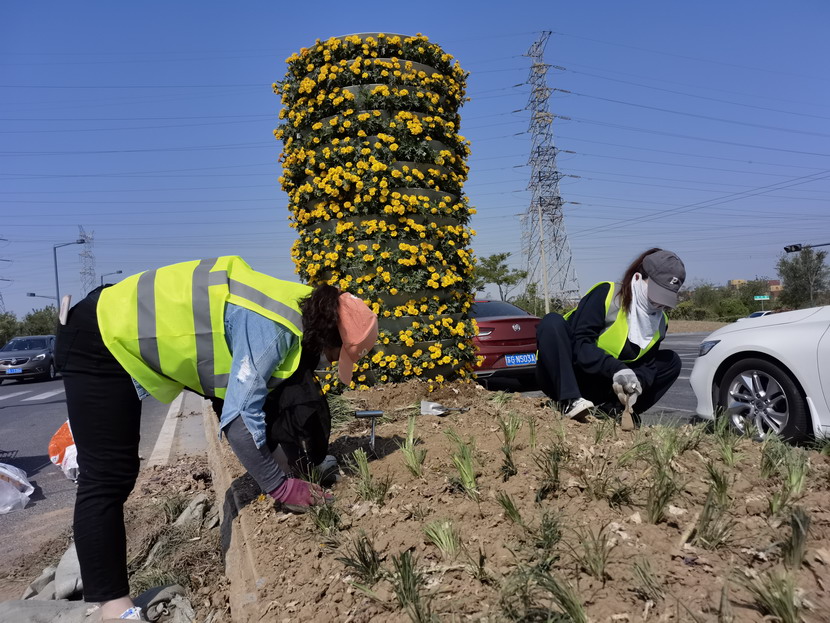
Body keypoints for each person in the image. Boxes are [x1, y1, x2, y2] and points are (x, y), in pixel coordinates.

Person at [55, 256, 378, 622]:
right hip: (100, 337)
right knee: (108, 475)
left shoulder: (300, 303)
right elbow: (238, 420)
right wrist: (281, 487)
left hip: (114, 323)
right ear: (328, 336)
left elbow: (235, 391)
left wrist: (286, 465)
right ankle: (113, 607)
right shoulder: (274, 328)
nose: (328, 364)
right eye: (334, 356)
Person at [535, 248, 685, 423]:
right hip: (566, 377)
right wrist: (617, 368)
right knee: (552, 321)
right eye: (656, 294)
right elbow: (580, 344)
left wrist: (636, 382)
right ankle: (570, 401)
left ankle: (614, 411)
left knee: (671, 361)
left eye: (665, 299)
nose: (659, 304)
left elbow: (648, 365)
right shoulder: (607, 295)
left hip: (604, 384)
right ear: (638, 278)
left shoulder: (660, 321)